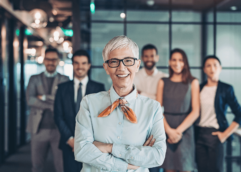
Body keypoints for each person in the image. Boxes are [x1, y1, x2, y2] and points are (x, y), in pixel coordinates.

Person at [74, 35, 166, 172]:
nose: (121, 68)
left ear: (137, 65)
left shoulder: (153, 108)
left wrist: (109, 148)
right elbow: (81, 151)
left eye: (128, 61)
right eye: (114, 62)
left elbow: (157, 157)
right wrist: (127, 163)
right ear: (106, 67)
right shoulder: (89, 103)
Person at [54, 50, 105, 172]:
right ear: (72, 64)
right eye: (76, 63)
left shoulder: (99, 88)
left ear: (89, 65)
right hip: (69, 143)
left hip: (92, 144)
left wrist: (88, 141)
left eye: (83, 63)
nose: (80, 67)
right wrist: (71, 140)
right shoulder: (62, 88)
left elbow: (101, 117)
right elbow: (58, 116)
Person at [195, 55, 241, 172]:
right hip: (199, 134)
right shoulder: (199, 88)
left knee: (216, 169)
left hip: (216, 134)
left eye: (215, 65)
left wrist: (225, 135)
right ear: (204, 69)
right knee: (201, 169)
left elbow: (240, 115)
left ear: (220, 68)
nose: (212, 68)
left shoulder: (226, 88)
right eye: (208, 65)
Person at [156, 48, 200, 172]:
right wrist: (169, 131)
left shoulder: (193, 82)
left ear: (185, 62)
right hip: (166, 128)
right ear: (169, 62)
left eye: (180, 60)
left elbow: (196, 111)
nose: (177, 63)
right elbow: (158, 110)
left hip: (185, 130)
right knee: (169, 168)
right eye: (174, 60)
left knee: (185, 167)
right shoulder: (162, 82)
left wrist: (178, 132)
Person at [26, 48, 69, 172]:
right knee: (37, 165)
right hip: (38, 129)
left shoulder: (65, 79)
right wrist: (52, 105)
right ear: (44, 60)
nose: (51, 62)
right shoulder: (34, 78)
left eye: (54, 59)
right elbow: (31, 100)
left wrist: (44, 97)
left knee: (61, 166)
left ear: (58, 61)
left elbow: (64, 101)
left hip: (59, 131)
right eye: (48, 59)